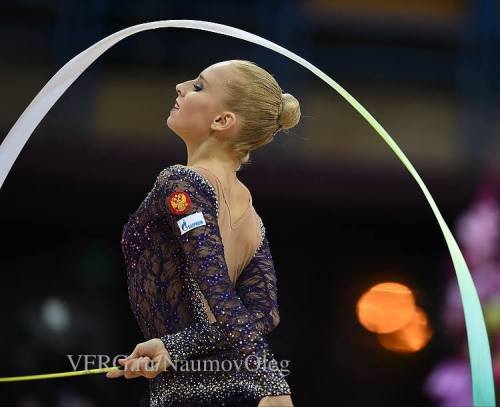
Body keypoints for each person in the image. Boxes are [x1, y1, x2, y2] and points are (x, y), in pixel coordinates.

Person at [106, 60, 301, 406]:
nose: (180, 86)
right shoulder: (252, 214)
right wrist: (174, 346)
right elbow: (264, 313)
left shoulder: (182, 183)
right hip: (232, 390)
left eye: (198, 86)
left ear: (222, 121)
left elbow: (219, 292)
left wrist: (275, 385)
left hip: (205, 395)